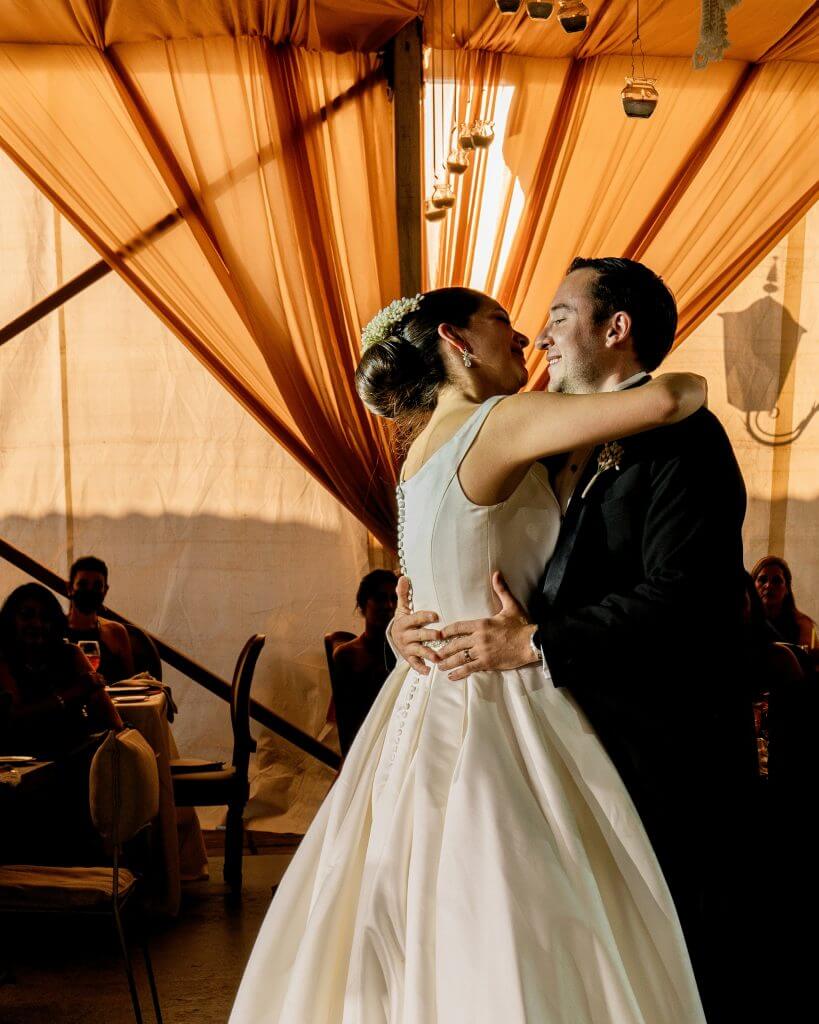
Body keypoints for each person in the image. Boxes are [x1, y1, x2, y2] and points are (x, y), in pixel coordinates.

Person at [231, 275, 712, 1024]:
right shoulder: (499, 421)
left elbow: (419, 575)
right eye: (500, 322)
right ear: (455, 342)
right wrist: (683, 377)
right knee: (513, 904)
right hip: (495, 694)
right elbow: (668, 401)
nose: (523, 336)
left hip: (423, 696)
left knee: (415, 898)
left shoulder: (418, 450)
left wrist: (399, 625)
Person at [390, 259, 759, 1022]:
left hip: (659, 740)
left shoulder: (682, 442)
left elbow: (685, 598)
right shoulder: (545, 432)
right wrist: (413, 615)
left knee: (682, 952)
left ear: (614, 328)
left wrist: (534, 645)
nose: (540, 335)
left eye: (560, 315)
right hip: (558, 735)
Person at [0, 583, 122, 864]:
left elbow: (112, 722)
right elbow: (13, 718)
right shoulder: (3, 659)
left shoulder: (70, 655)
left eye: (44, 618)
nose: (37, 624)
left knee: (106, 757)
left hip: (70, 756)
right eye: (27, 615)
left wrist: (89, 695)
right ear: (11, 620)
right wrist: (69, 695)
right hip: (21, 762)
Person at [332, 570, 397, 755]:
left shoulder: (404, 653)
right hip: (367, 750)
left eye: (394, 598)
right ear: (362, 604)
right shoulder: (348, 655)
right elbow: (346, 727)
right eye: (380, 598)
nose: (389, 605)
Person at [66, 555, 135, 682]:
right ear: (70, 588)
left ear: (105, 591)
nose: (89, 591)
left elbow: (130, 686)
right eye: (83, 584)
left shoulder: (116, 632)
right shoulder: (52, 630)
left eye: (97, 586)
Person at [751, 554, 817, 651]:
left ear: (787, 589)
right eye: (762, 579)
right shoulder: (745, 620)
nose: (768, 585)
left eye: (777, 581)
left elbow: (807, 661)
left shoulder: (801, 625)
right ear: (752, 586)